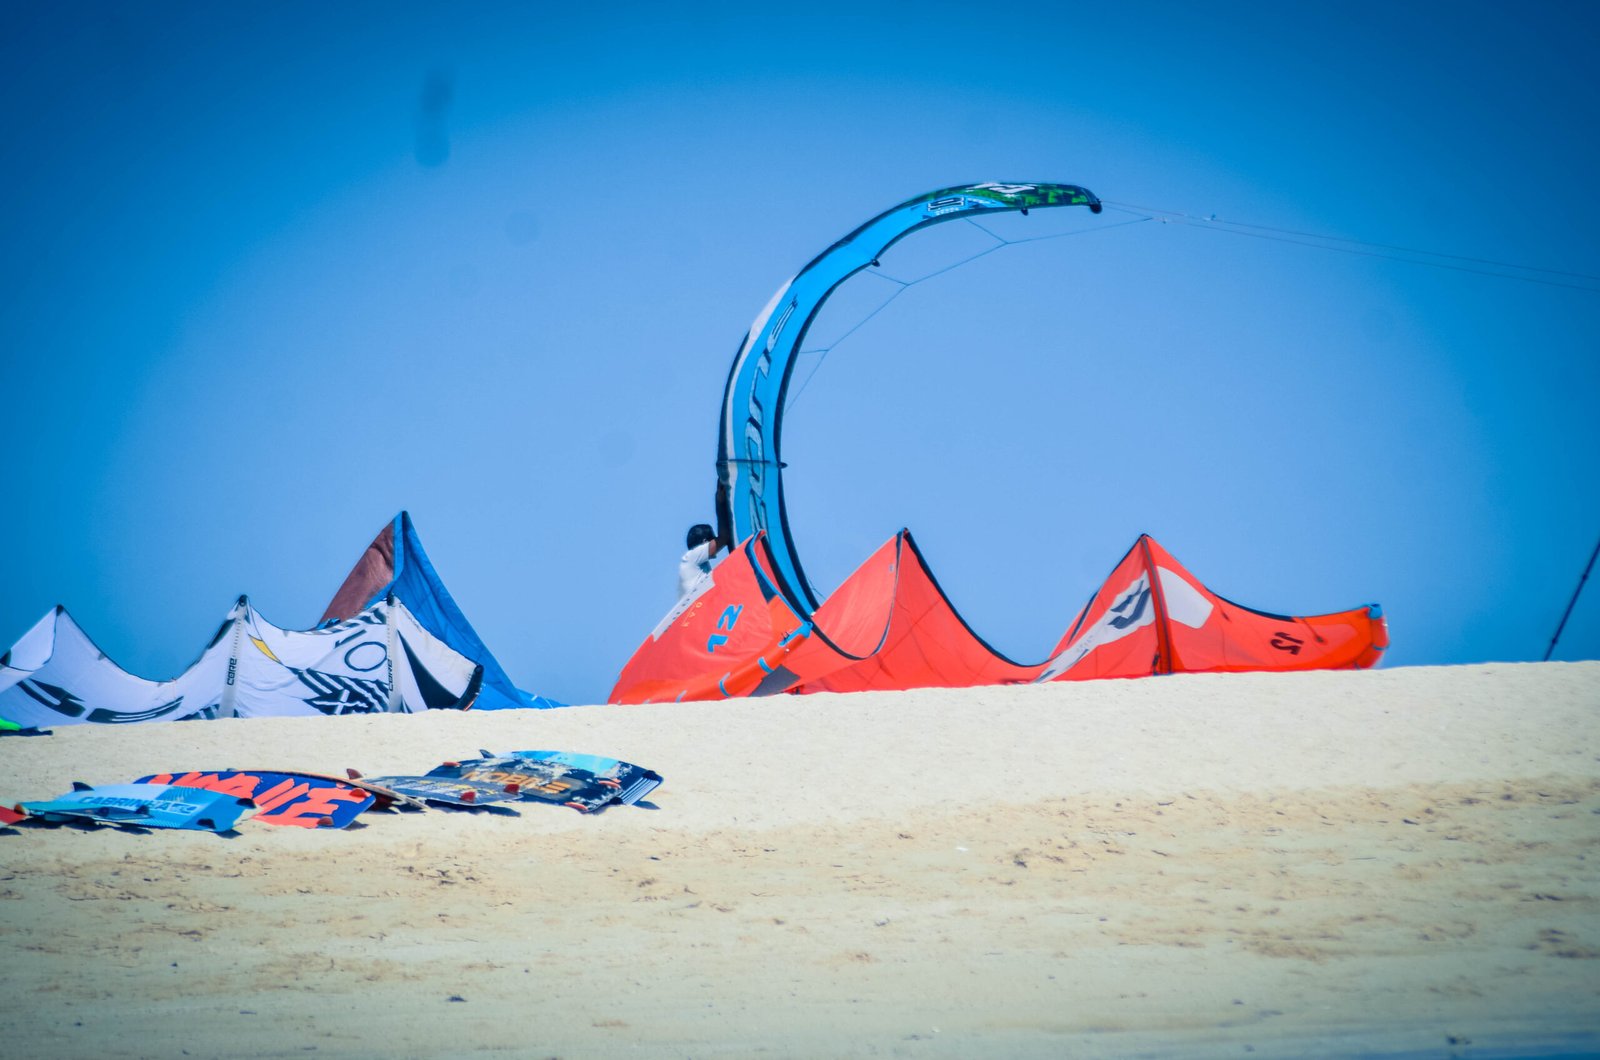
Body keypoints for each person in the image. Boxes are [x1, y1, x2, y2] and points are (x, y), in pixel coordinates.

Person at [678, 523, 723, 598]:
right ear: (705, 542)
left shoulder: (698, 562)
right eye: (713, 539)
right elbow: (723, 539)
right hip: (697, 601)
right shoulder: (692, 556)